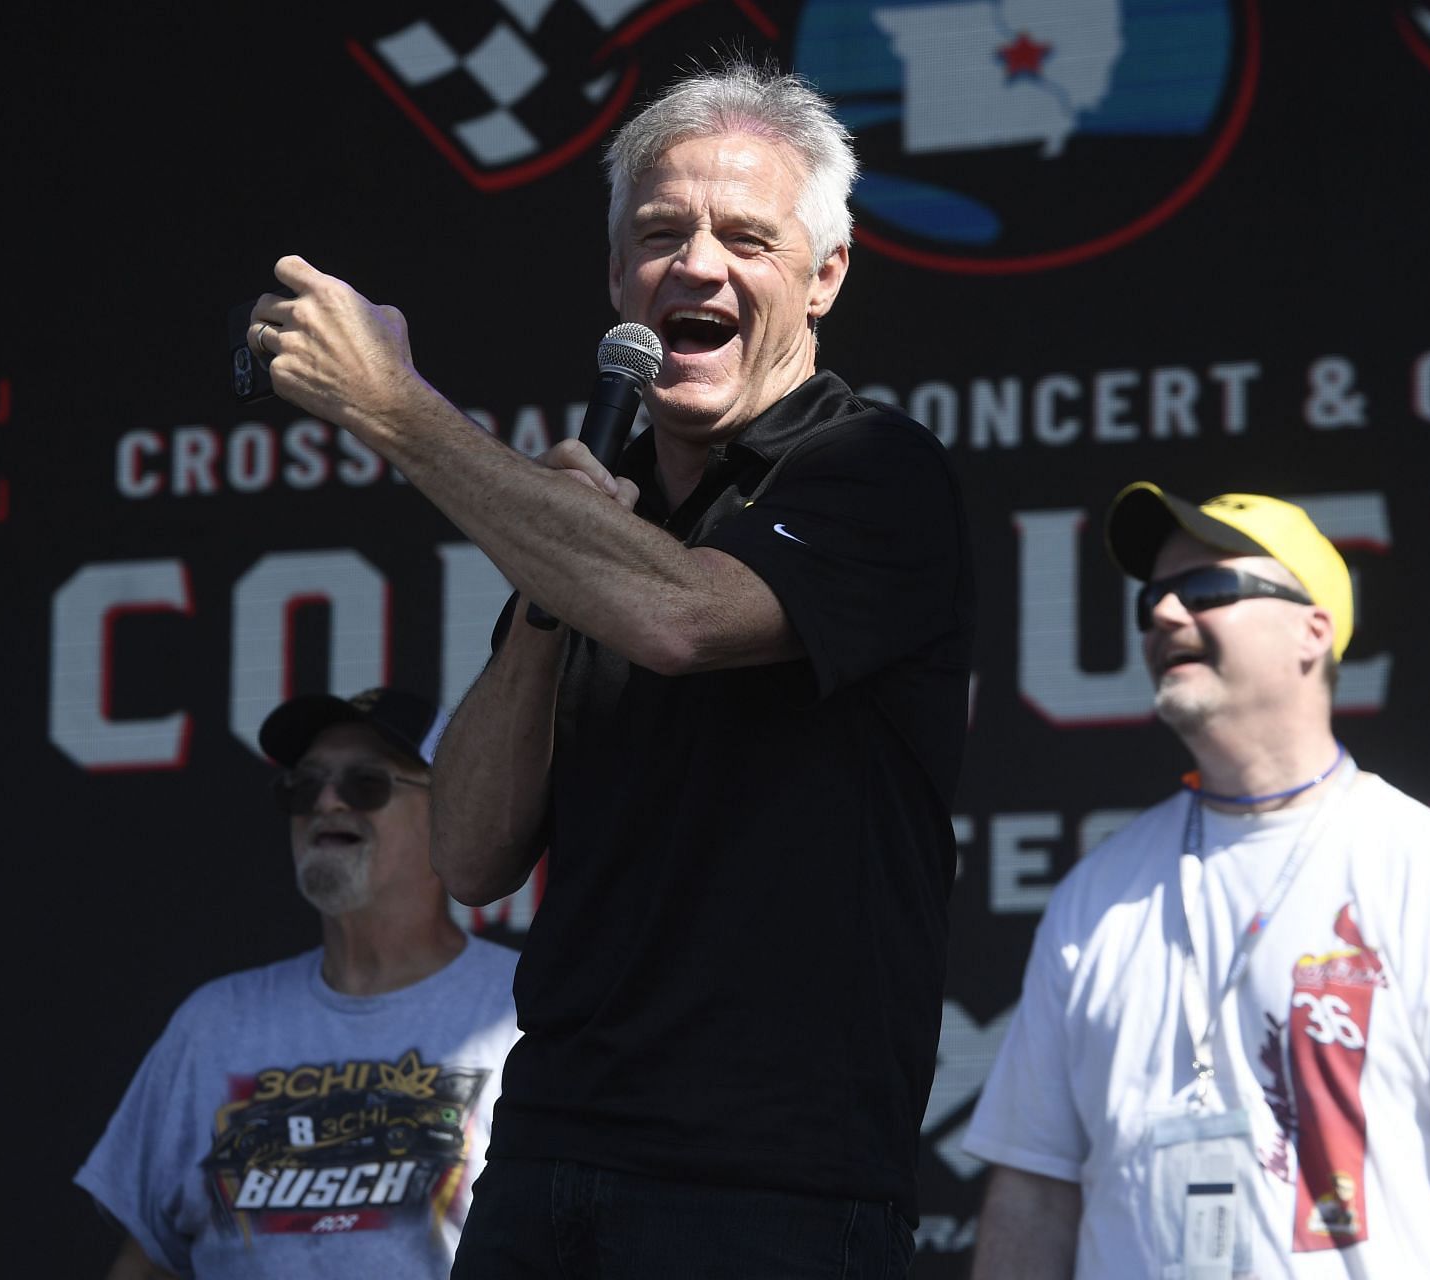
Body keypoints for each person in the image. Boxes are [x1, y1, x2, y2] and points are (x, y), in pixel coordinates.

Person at [244, 61, 975, 1276]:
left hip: (773, 1182)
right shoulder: (590, 522)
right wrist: (545, 578)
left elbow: (682, 619)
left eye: (747, 236)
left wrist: (398, 411)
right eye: (660, 233)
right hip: (549, 1161)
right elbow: (474, 851)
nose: (698, 266)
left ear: (826, 273)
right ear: (615, 275)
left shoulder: (872, 467)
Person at [963, 484, 1430, 1279]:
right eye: (1152, 597)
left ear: (1313, 629)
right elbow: (1033, 1194)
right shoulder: (1098, 893)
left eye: (1209, 589)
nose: (1165, 615)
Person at [76, 688, 522, 1278]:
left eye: (367, 784)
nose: (327, 802)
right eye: (303, 787)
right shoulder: (215, 1023)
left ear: (451, 813)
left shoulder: (527, 1008)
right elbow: (147, 1263)